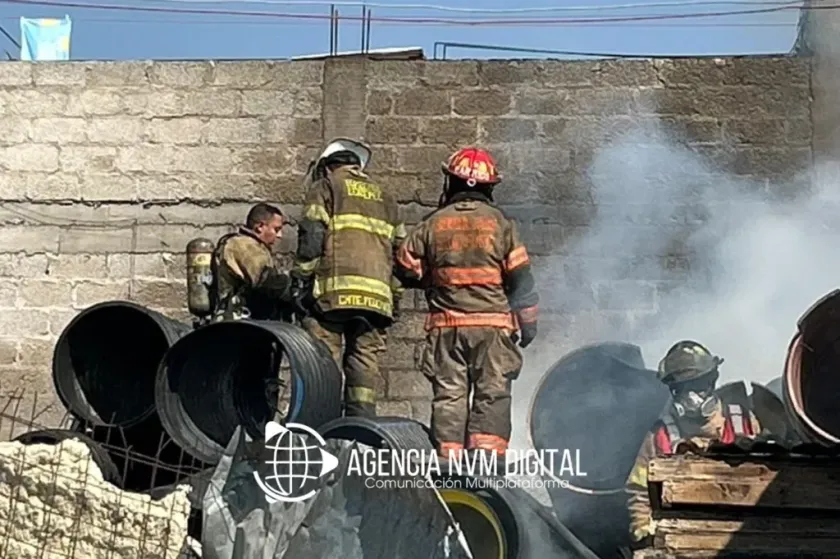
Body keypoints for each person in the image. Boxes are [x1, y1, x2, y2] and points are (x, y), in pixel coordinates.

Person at [393, 146, 539, 461]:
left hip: (447, 329)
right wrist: (528, 324)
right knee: (492, 393)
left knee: (449, 396)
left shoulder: (433, 224)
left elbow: (405, 266)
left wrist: (432, 277)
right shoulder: (502, 225)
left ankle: (449, 464)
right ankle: (486, 463)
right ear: (489, 187)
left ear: (452, 182)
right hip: (493, 330)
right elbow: (521, 280)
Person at [291, 138, 407, 417]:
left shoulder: (326, 187)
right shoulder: (386, 198)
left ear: (327, 167)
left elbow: (312, 237)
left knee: (324, 359)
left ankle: (324, 423)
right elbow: (401, 256)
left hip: (334, 295)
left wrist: (300, 280)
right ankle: (360, 425)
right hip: (377, 300)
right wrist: (395, 299)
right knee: (364, 364)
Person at [622, 340, 761, 554]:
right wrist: (645, 533)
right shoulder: (661, 436)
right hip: (682, 543)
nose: (690, 395)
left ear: (712, 380)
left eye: (697, 385)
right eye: (682, 389)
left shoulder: (742, 422)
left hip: (742, 539)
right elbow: (639, 491)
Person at [211, 202, 293, 321]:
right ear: (260, 227)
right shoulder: (243, 245)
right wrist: (292, 288)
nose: (279, 235)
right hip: (237, 320)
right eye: (276, 229)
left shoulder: (255, 246)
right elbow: (266, 282)